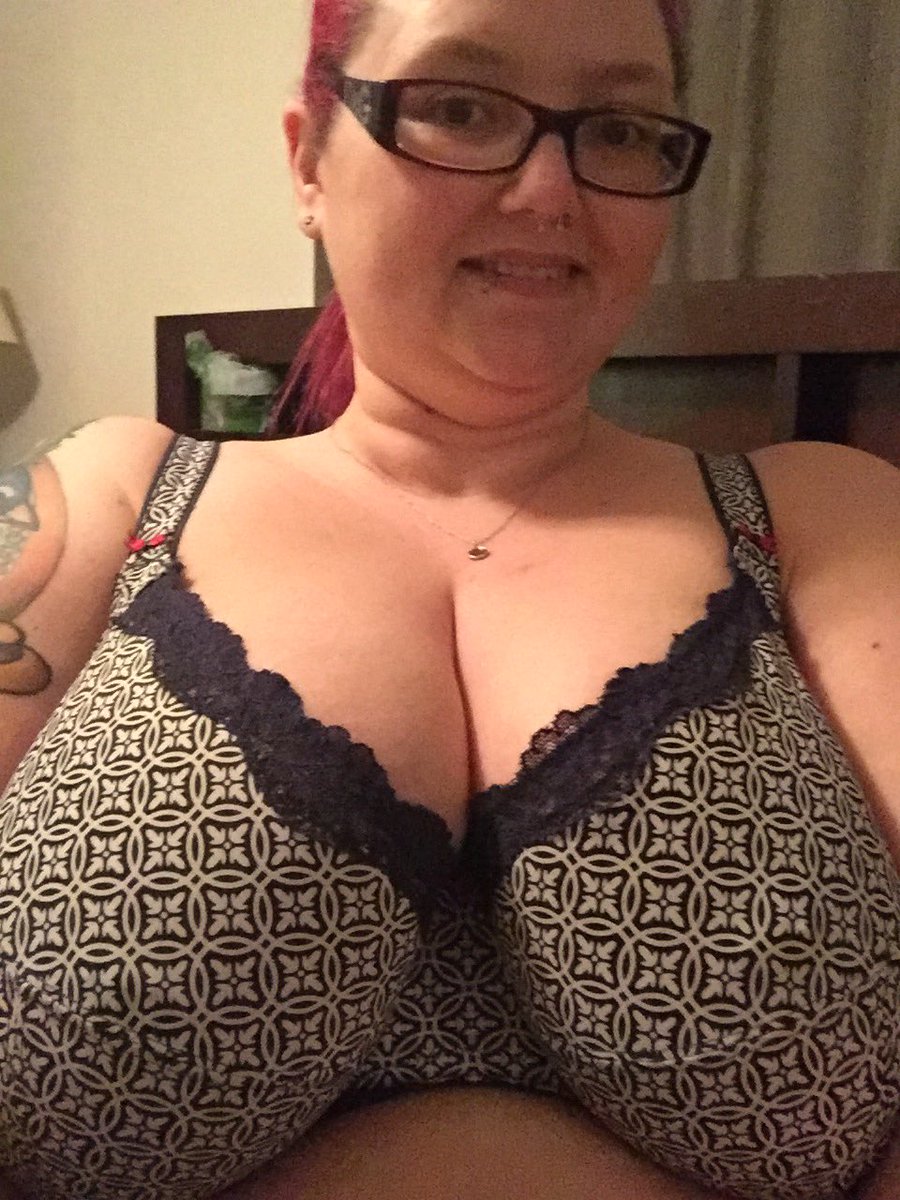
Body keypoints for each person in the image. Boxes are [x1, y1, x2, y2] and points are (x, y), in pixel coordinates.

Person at [1, 0, 898, 1196]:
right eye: (461, 108)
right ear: (307, 162)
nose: (549, 191)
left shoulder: (832, 522)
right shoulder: (106, 497)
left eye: (619, 129)